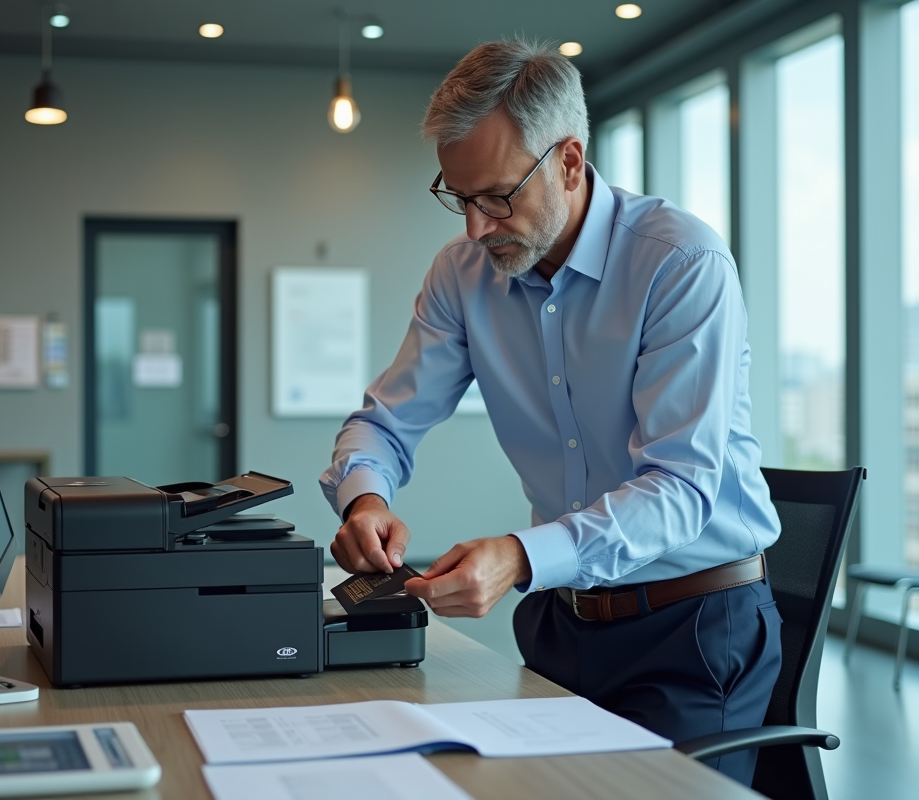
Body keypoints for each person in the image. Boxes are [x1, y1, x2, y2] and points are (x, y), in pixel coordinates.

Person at [318, 39, 782, 786]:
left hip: (694, 634)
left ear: (569, 161)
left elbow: (681, 489)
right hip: (560, 625)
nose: (475, 227)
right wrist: (365, 498)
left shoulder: (679, 264)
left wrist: (524, 555)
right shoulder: (461, 275)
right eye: (458, 197)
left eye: (497, 195)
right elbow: (383, 421)